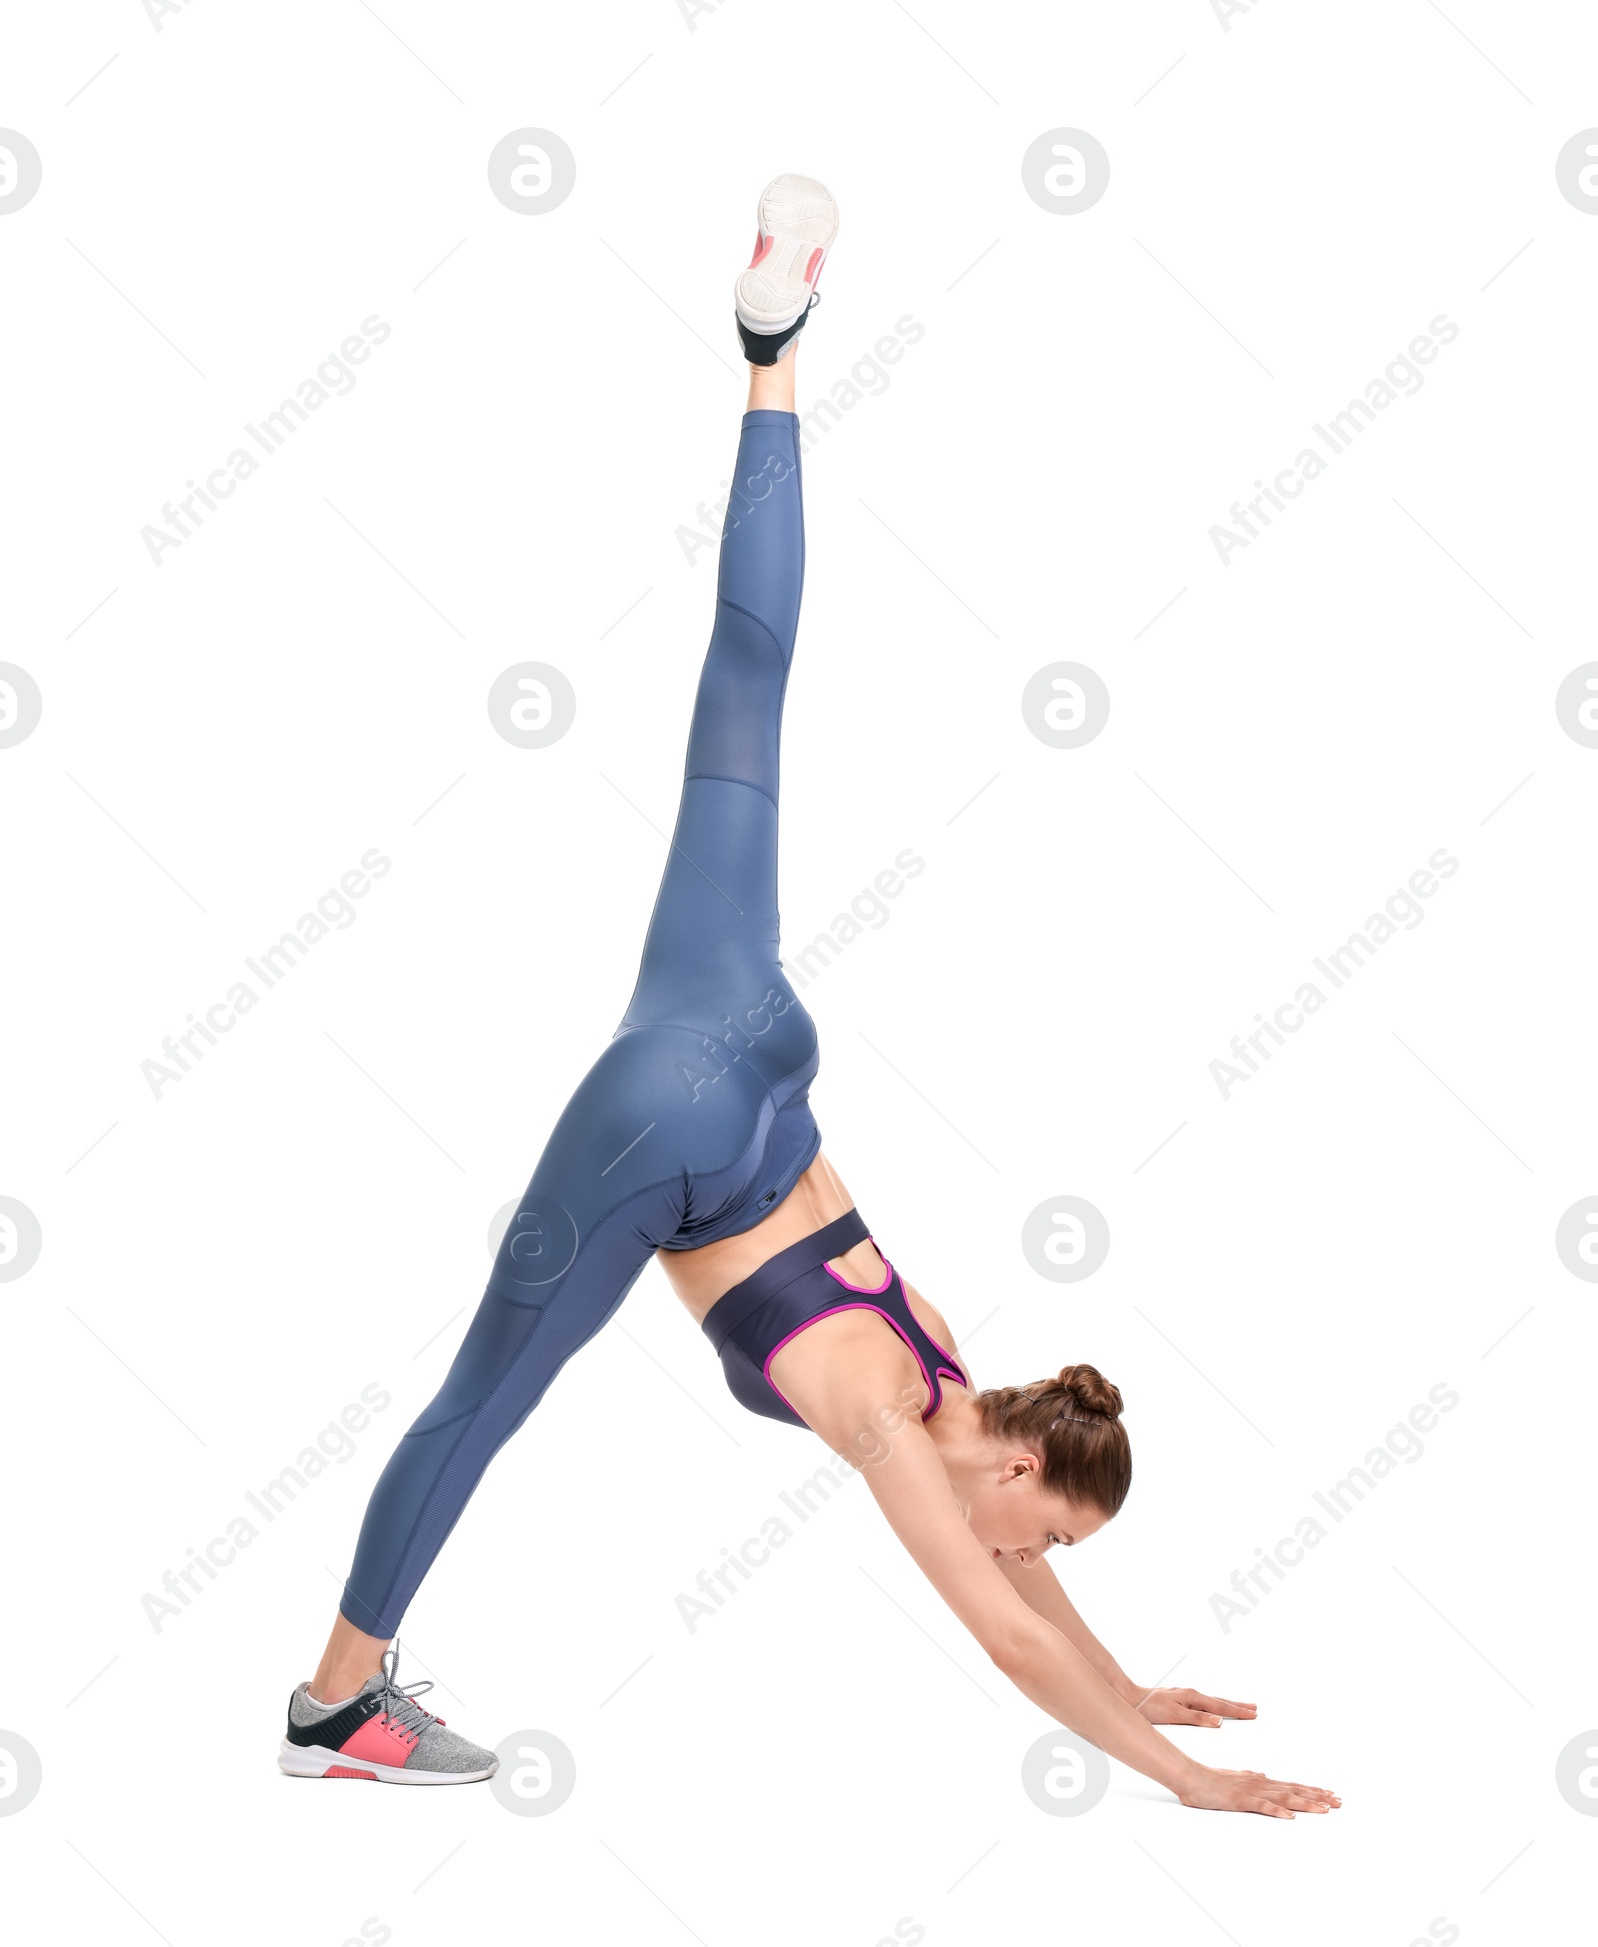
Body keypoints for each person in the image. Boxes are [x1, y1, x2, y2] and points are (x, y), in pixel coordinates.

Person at [278, 174, 1339, 1819]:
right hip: (682, 1135)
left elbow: (1030, 1587)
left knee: (748, 677)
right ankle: (337, 1703)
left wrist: (1133, 1688)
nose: (1038, 1552)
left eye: (1057, 1539)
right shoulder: (906, 1422)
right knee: (474, 1408)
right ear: (1015, 1460)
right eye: (1051, 1521)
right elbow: (999, 1630)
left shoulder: (963, 1383)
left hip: (743, 1025)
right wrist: (1171, 1781)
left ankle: (773, 351)